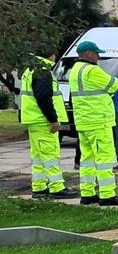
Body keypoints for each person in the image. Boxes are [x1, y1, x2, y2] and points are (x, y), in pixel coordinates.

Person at [67, 41, 118, 205]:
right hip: (99, 120)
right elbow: (115, 85)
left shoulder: (75, 70)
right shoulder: (92, 70)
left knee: (87, 159)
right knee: (104, 158)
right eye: (96, 53)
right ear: (88, 53)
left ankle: (87, 193)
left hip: (83, 120)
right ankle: (107, 195)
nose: (99, 57)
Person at [18, 54, 75, 199]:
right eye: (54, 54)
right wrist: (53, 119)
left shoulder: (30, 69)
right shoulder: (42, 70)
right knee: (50, 156)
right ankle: (57, 188)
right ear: (49, 54)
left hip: (34, 120)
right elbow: (43, 97)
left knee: (38, 156)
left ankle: (39, 187)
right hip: (43, 121)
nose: (56, 57)